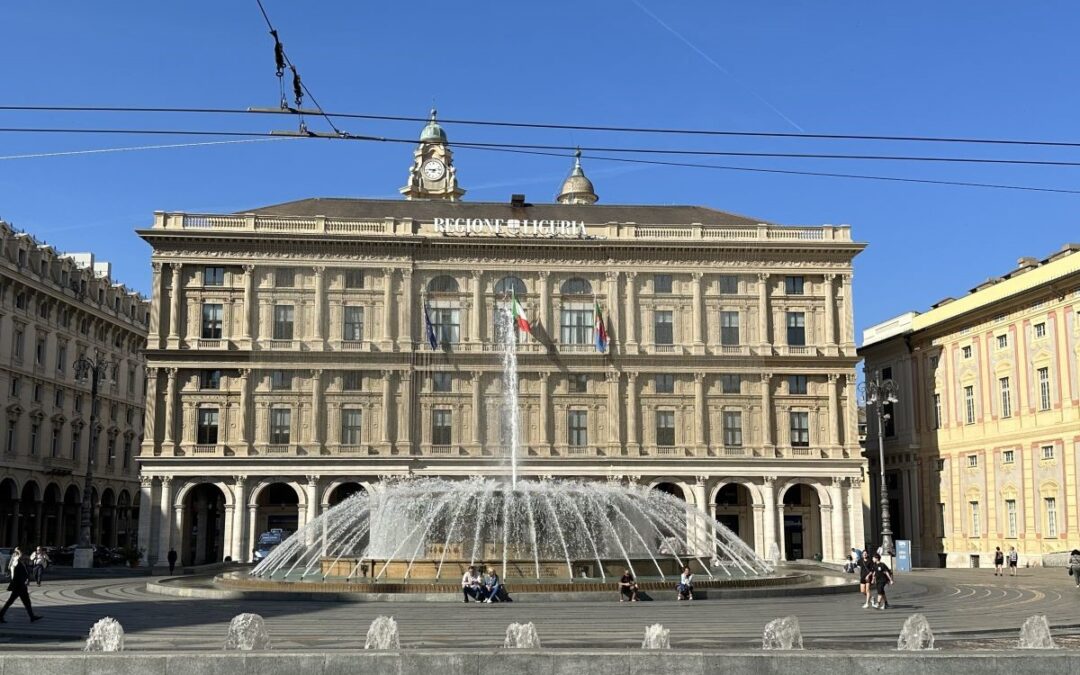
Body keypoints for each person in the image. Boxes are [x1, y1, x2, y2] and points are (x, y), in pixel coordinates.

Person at [0, 548, 42, 623]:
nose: (24, 556)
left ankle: (32, 616)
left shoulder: (22, 563)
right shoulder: (16, 561)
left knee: (26, 602)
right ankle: (0, 615)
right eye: (23, 554)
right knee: (11, 601)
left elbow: (24, 573)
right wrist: (18, 551)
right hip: (18, 586)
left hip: (21, 586)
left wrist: (25, 580)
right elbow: (17, 574)